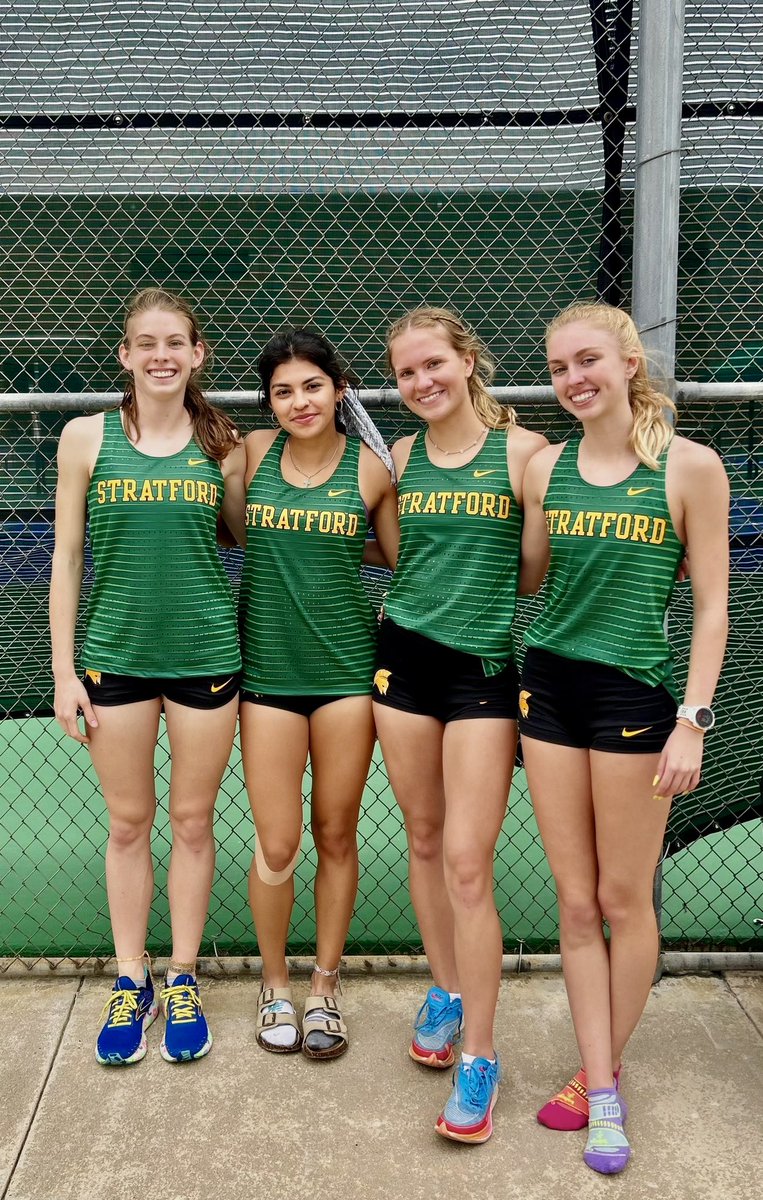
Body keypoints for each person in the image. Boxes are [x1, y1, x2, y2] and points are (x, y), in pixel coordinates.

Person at [518, 301, 729, 1174]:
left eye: (588, 360)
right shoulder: (545, 471)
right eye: (560, 366)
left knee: (622, 898)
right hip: (548, 690)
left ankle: (602, 1084)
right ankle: (598, 1078)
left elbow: (712, 604)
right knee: (573, 905)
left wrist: (693, 717)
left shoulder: (689, 468)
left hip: (635, 700)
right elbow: (526, 574)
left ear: (628, 363)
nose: (574, 378)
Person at [49, 288, 246, 1066]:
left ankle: (183, 974)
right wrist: (64, 670)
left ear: (198, 355)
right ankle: (132, 977)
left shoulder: (221, 444)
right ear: (124, 355)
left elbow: (245, 537)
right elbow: (66, 559)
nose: (161, 355)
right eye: (145, 343)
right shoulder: (85, 437)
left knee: (192, 823)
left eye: (176, 342)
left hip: (205, 659)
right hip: (115, 660)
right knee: (129, 823)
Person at [372, 307, 547, 1142]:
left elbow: (532, 574)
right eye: (405, 373)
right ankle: (443, 990)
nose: (421, 382)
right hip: (399, 665)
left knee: (469, 865)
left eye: (432, 364)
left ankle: (479, 1053)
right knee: (424, 838)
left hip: (480, 678)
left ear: (466, 359)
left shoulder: (524, 455)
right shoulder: (401, 457)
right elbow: (400, 554)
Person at [239, 328, 398, 1060]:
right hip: (267, 681)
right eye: (282, 391)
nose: (298, 402)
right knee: (277, 843)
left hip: (345, 682)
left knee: (335, 834)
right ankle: (274, 984)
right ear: (268, 402)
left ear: (338, 390)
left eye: (311, 386)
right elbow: (227, 529)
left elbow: (398, 556)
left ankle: (324, 987)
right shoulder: (248, 456)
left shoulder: (372, 471)